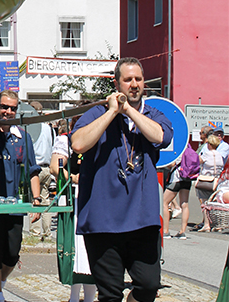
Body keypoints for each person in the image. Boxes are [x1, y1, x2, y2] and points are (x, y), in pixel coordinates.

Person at [71, 57, 173, 302]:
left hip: (142, 219)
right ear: (117, 83)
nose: (134, 84)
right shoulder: (96, 113)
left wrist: (128, 110)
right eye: (128, 80)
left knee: (149, 285)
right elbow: (78, 143)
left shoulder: (153, 114)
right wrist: (112, 112)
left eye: (138, 79)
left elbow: (160, 136)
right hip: (102, 221)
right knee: (110, 294)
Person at [0, 89, 42, 302]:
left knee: (12, 254)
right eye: (4, 107)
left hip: (14, 204)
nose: (8, 112)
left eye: (12, 108)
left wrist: (37, 199)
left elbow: (32, 171)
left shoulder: (23, 137)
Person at [51, 116, 97, 302]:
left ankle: (90, 298)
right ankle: (73, 297)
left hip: (97, 199)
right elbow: (56, 167)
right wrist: (73, 177)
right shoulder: (66, 140)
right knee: (77, 248)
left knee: (94, 249)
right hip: (75, 198)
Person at [29, 100, 54, 240]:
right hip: (47, 166)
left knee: (35, 198)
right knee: (45, 199)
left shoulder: (33, 128)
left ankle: (35, 232)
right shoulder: (48, 127)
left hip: (36, 167)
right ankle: (47, 232)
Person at [162, 143, 198, 240]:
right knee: (184, 205)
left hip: (177, 177)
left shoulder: (177, 148)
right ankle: (182, 232)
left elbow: (172, 164)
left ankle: (165, 231)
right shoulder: (189, 148)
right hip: (187, 178)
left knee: (164, 202)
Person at [195, 133, 224, 232]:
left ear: (209, 144)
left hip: (206, 180)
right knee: (214, 203)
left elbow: (198, 162)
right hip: (216, 181)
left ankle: (206, 224)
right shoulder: (219, 155)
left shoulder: (207, 154)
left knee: (205, 203)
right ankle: (216, 224)